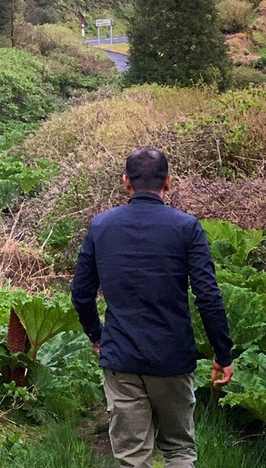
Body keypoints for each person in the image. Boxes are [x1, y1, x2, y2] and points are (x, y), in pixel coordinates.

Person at [70, 147, 233, 468]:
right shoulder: (187, 228)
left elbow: (80, 292)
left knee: (132, 457)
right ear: (168, 182)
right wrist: (222, 353)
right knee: (179, 451)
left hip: (121, 357)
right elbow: (208, 296)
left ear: (126, 182)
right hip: (173, 358)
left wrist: (96, 333)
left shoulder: (101, 226)